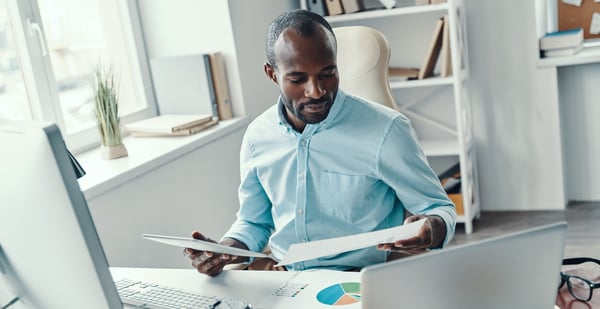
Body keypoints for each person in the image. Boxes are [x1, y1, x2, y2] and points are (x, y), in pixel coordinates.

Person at [185, 9, 456, 276]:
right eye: (297, 79)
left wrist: (432, 228)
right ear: (272, 74)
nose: (316, 91)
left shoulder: (387, 130)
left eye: (327, 73)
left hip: (361, 277)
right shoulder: (258, 137)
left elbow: (438, 209)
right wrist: (222, 251)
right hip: (285, 274)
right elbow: (254, 221)